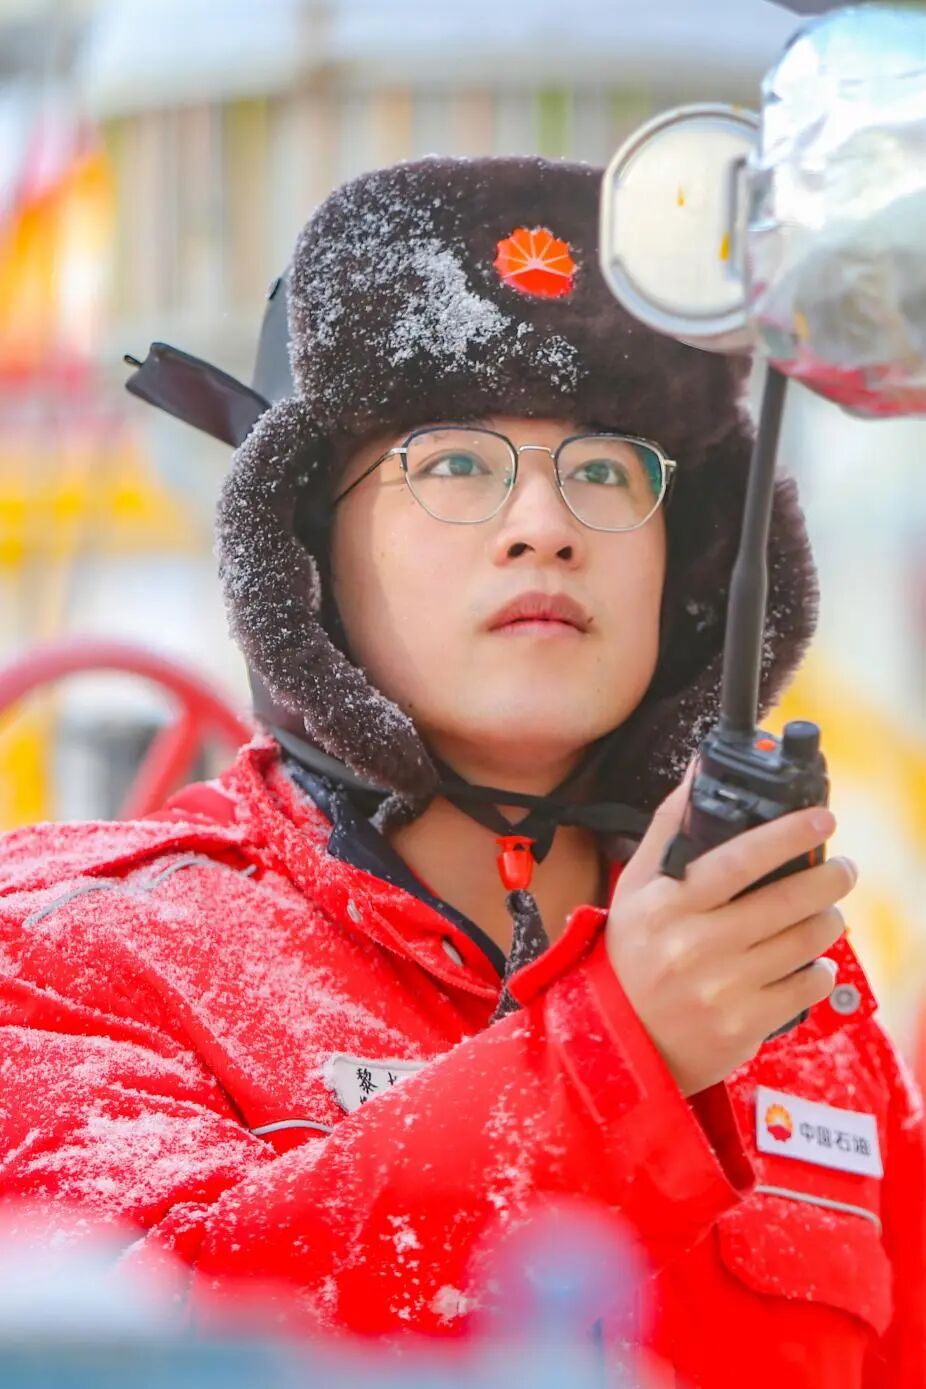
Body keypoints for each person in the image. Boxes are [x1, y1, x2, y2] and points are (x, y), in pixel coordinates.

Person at [0, 157, 922, 1388]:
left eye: (603, 469)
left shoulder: (792, 1005)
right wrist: (616, 1055)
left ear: (688, 572)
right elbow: (127, 1339)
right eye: (451, 464)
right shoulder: (74, 950)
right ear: (306, 552)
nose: (543, 526)